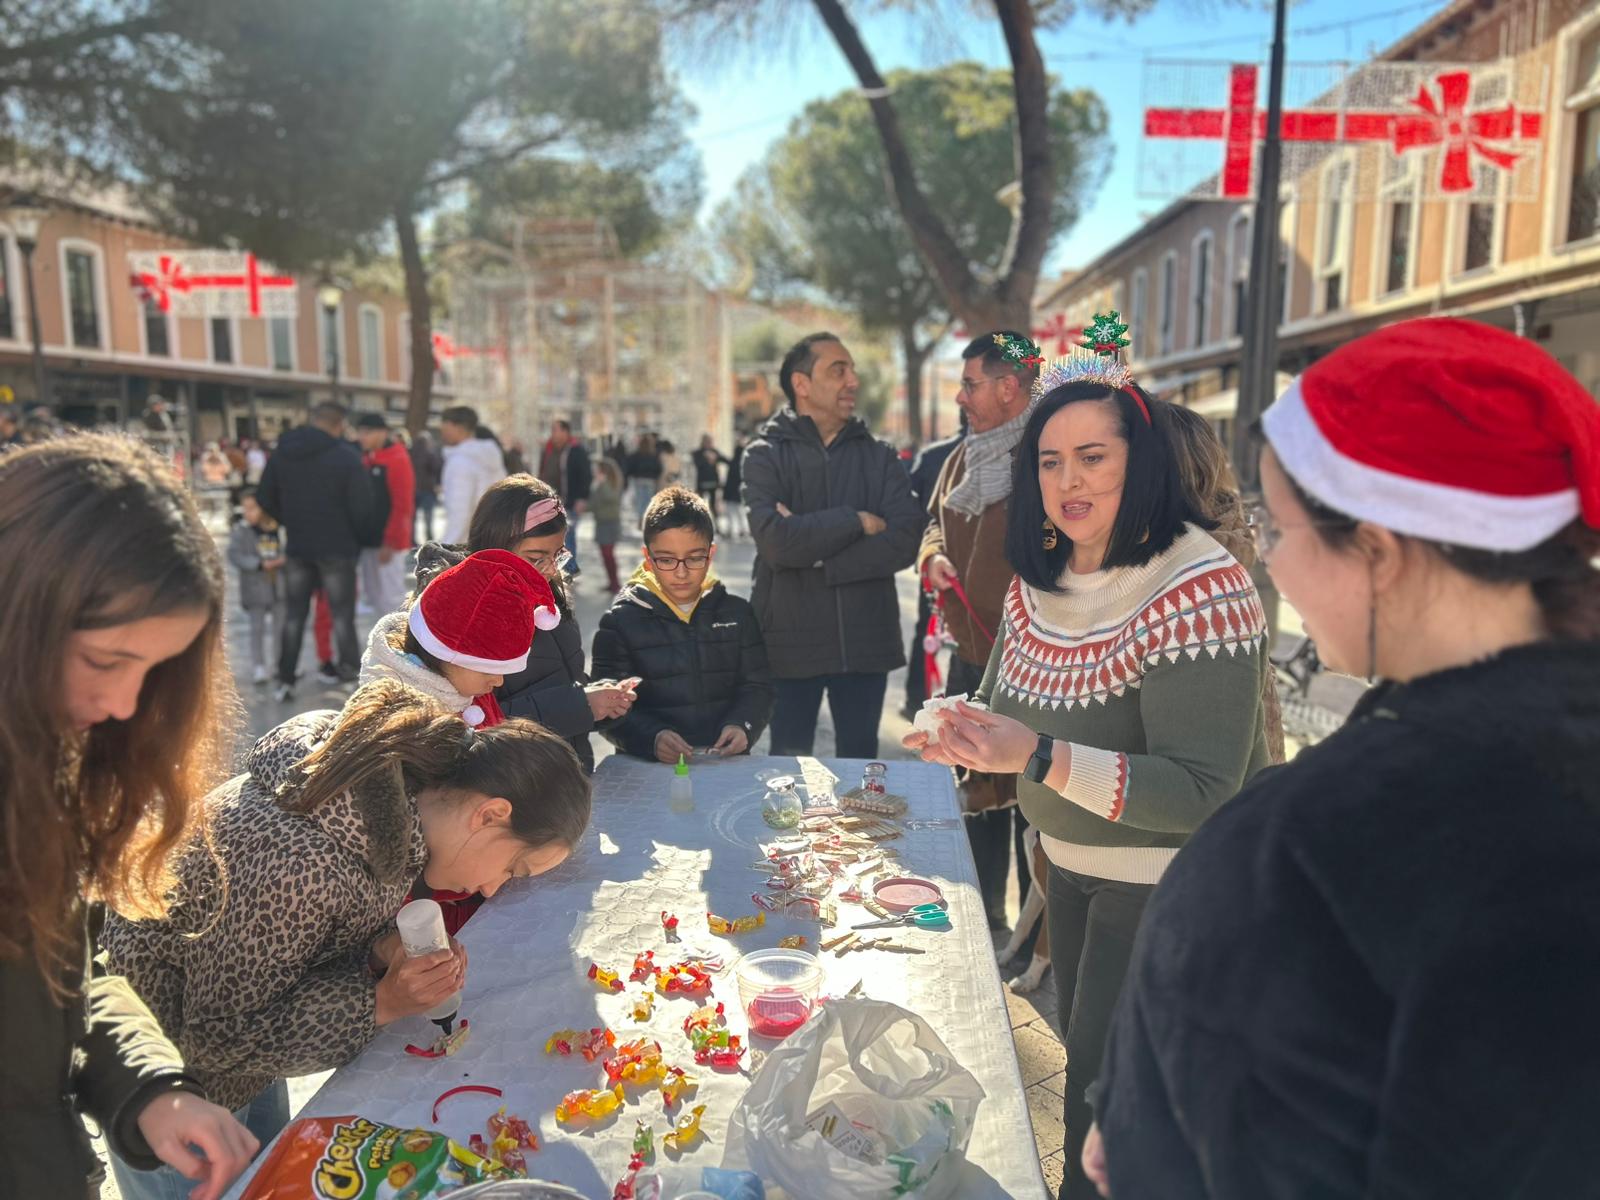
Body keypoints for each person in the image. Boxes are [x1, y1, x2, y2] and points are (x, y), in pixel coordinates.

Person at [1086, 318, 1600, 1200]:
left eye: (1279, 528)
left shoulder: (1308, 843)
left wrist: (1137, 1128)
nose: (1271, 565)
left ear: (1380, 551)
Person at [905, 350, 1270, 1200]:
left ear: (1137, 461)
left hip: (1163, 890)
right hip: (1066, 871)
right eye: (1049, 459)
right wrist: (959, 732)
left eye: (1093, 457)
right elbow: (1002, 699)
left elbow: (1200, 790)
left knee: (1104, 1108)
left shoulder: (1200, 585)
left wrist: (1034, 755)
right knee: (1093, 1073)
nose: (1069, 480)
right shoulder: (1044, 575)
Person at [101, 680, 591, 1196]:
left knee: (268, 1176)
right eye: (513, 867)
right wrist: (379, 1003)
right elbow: (217, 1033)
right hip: (168, 1084)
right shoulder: (302, 861)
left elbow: (300, 943)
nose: (494, 887)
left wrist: (382, 948)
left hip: (243, 1067)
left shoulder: (391, 812)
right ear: (490, 813)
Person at [0, 435, 258, 1200]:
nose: (122, 707)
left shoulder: (38, 761)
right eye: (109, 663)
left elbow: (60, 980)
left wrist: (149, 1090)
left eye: (152, 673)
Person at [744, 332, 924, 758]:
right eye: (837, 370)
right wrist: (856, 520)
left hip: (865, 644)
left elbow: (905, 539)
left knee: (862, 774)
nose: (852, 381)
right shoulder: (764, 455)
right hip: (790, 644)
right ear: (801, 384)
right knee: (787, 772)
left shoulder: (880, 456)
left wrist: (821, 559)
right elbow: (775, 544)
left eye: (853, 371)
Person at [919, 334, 1039, 930]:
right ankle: (988, 921)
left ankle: (1037, 935)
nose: (961, 396)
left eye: (971, 384)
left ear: (1009, 387)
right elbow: (934, 523)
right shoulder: (963, 456)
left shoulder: (1048, 459)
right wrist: (932, 557)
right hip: (973, 661)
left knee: (1036, 801)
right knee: (979, 797)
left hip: (1035, 670)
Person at [413, 478, 637, 775]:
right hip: (514, 789)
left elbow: (559, 678)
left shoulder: (551, 596)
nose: (552, 569)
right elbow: (472, 721)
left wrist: (599, 700)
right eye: (536, 558)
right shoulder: (467, 617)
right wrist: (580, 706)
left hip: (566, 778)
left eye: (558, 554)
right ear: (495, 549)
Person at [592, 486, 773, 763]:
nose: (681, 571)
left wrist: (743, 725)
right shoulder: (620, 622)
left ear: (710, 554)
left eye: (694, 558)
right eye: (666, 559)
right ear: (648, 559)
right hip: (648, 770)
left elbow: (757, 686)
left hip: (725, 763)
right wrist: (651, 738)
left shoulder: (737, 613)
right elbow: (607, 708)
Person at [256, 402, 374, 702]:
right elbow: (362, 508)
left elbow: (263, 496)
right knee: (342, 616)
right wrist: (356, 537)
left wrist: (290, 519)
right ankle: (352, 679)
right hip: (338, 546)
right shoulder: (346, 458)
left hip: (298, 545)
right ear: (338, 425)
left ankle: (286, 679)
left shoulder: (283, 452)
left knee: (294, 616)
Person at [901, 413, 967, 719]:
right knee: (968, 641)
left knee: (926, 630)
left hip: (934, 561)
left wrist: (925, 553)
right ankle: (959, 707)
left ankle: (916, 700)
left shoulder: (931, 456)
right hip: (965, 565)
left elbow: (911, 512)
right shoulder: (1005, 452)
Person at [353, 412, 416, 617]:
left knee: (391, 599)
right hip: (369, 540)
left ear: (382, 433)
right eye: (360, 432)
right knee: (374, 596)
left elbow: (402, 505)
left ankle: (394, 646)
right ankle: (381, 645)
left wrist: (390, 541)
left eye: (367, 432)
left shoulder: (397, 459)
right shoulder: (366, 458)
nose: (361, 437)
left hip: (388, 543)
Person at [227, 490, 288, 686]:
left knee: (280, 628)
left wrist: (283, 560)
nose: (247, 513)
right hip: (255, 587)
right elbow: (234, 554)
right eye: (244, 509)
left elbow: (289, 548)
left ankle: (280, 664)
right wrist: (257, 564)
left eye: (252, 508)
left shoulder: (279, 529)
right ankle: (258, 666)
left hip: (279, 586)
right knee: (257, 628)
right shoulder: (242, 531)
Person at [439, 406, 506, 544]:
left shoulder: (460, 462)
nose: (442, 431)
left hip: (467, 545)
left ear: (456, 427)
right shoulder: (490, 456)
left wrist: (446, 549)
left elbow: (460, 514)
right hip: (494, 540)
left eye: (445, 426)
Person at [538, 419, 591, 578]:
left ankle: (569, 569)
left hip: (570, 500)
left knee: (568, 535)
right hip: (550, 501)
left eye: (556, 430)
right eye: (552, 430)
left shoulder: (576, 450)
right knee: (556, 536)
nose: (553, 434)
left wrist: (582, 498)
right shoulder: (548, 449)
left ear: (566, 432)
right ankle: (567, 567)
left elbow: (586, 475)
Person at [590, 458, 626, 592]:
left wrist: (601, 483)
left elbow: (610, 497)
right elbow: (594, 502)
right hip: (601, 521)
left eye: (598, 470)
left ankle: (615, 583)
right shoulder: (600, 484)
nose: (595, 473)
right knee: (604, 554)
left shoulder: (612, 484)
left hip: (610, 522)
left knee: (608, 553)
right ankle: (611, 582)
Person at [411, 429, 444, 544]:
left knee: (413, 518)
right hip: (427, 489)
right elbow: (437, 469)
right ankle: (429, 540)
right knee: (428, 518)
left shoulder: (411, 454)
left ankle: (413, 541)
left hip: (413, 489)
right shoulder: (430, 454)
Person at [627, 433, 663, 526]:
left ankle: (640, 518)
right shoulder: (654, 454)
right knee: (648, 500)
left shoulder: (636, 454)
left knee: (639, 500)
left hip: (638, 479)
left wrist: (632, 475)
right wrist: (655, 477)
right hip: (650, 480)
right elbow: (659, 468)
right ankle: (647, 518)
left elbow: (630, 466)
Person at [692, 434, 727, 522]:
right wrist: (707, 458)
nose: (709, 444)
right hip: (702, 482)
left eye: (710, 442)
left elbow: (726, 460)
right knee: (700, 504)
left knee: (713, 505)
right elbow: (698, 464)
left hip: (713, 482)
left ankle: (717, 524)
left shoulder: (714, 452)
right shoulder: (698, 453)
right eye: (707, 442)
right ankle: (700, 522)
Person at [721, 434, 747, 539]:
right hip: (739, 492)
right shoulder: (744, 464)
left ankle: (734, 532)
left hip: (730, 491)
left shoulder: (733, 463)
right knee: (741, 512)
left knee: (732, 512)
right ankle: (744, 530)